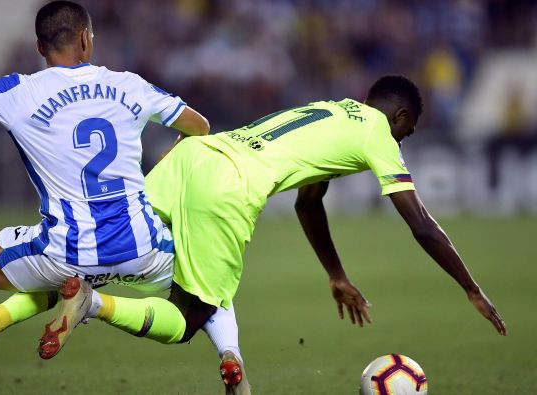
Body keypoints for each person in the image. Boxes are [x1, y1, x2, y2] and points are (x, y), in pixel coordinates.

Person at [34, 75, 507, 369]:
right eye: (408, 131)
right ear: (400, 117)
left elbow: (308, 204)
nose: (403, 141)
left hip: (194, 154)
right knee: (190, 315)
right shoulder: (377, 132)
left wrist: (337, 275)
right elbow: (421, 223)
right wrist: (470, 287)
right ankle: (93, 306)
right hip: (228, 184)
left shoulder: (333, 109)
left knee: (105, 249)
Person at [0, 2, 249, 395]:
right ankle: (229, 352)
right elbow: (200, 127)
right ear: (86, 38)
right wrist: (171, 156)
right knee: (207, 274)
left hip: (66, 255)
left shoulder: (18, 92)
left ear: (38, 47)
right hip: (143, 251)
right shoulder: (129, 84)